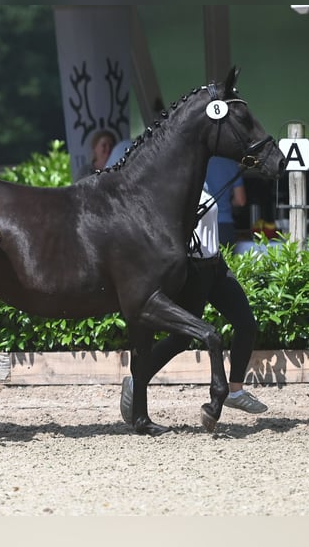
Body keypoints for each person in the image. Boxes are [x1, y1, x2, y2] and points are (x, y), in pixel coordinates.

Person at [121, 186, 268, 425]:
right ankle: (138, 379)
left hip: (217, 267)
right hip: (194, 271)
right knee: (181, 339)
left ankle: (235, 391)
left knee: (247, 324)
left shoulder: (199, 177)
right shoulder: (172, 190)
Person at [205, 156, 247, 246]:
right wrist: (227, 202)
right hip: (224, 224)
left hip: (202, 224)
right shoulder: (231, 164)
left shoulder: (201, 160)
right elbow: (240, 200)